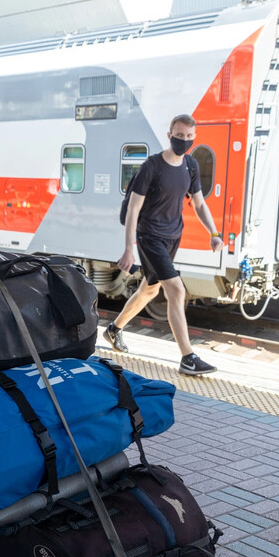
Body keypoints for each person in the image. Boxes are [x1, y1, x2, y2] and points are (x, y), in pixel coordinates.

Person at [103, 114, 223, 376]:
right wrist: (129, 248)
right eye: (179, 136)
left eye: (189, 137)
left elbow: (199, 203)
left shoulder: (190, 166)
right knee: (176, 291)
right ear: (170, 136)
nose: (184, 141)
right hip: (150, 237)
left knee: (149, 290)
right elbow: (134, 209)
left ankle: (113, 330)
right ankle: (187, 357)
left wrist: (214, 232)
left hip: (172, 236)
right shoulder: (152, 167)